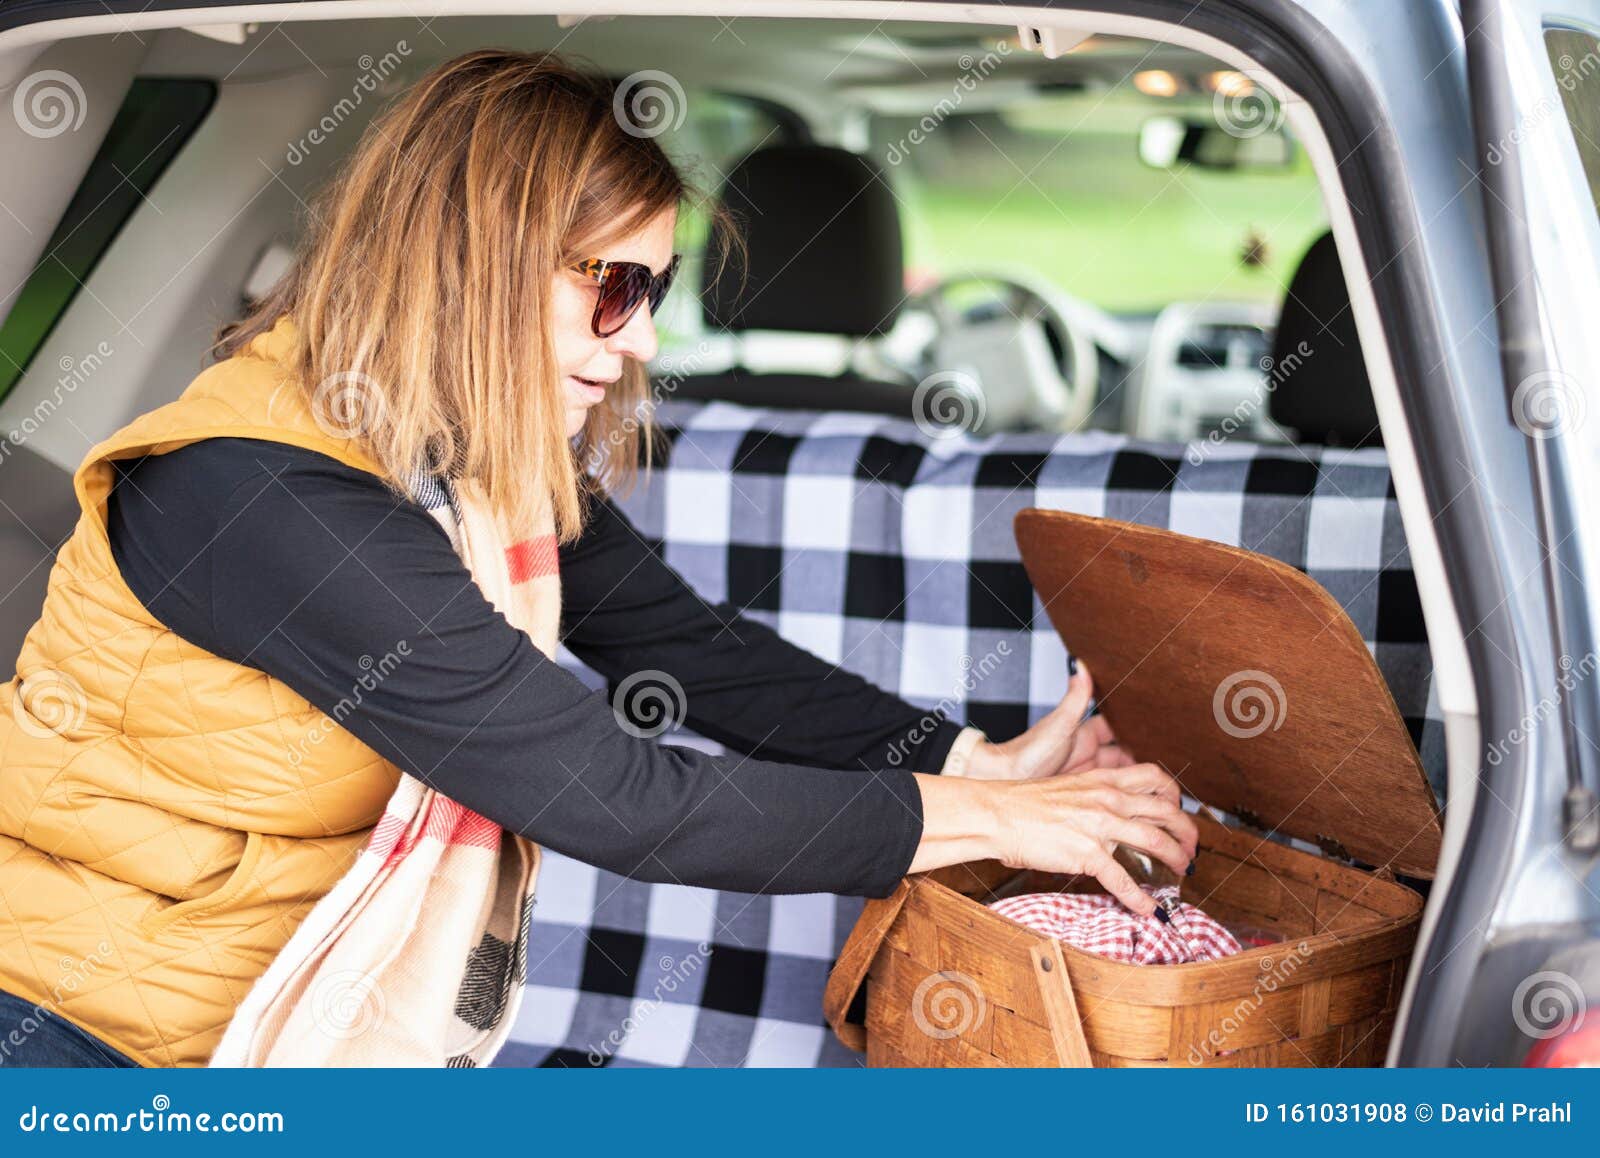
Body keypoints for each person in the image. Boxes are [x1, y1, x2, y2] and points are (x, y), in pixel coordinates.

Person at [0, 49, 1196, 1068]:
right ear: (471, 263)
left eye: (658, 289)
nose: (645, 343)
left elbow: (691, 655)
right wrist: (1007, 827)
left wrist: (975, 762)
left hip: (252, 1013)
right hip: (74, 1025)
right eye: (615, 288)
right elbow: (619, 799)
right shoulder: (265, 497)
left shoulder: (465, 452)